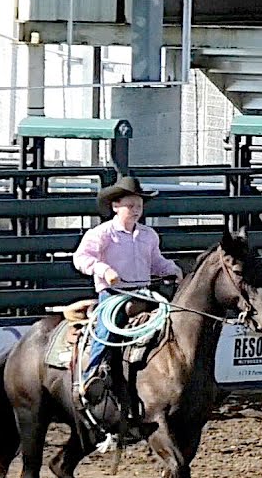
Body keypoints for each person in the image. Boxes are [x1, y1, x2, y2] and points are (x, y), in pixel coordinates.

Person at [71, 176, 182, 441]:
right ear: (115, 206)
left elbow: (156, 262)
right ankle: (92, 376)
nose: (135, 208)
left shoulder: (148, 236)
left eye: (138, 204)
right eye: (130, 204)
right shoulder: (101, 234)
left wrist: (171, 269)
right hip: (113, 295)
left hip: (144, 293)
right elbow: (81, 257)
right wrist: (103, 268)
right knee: (109, 329)